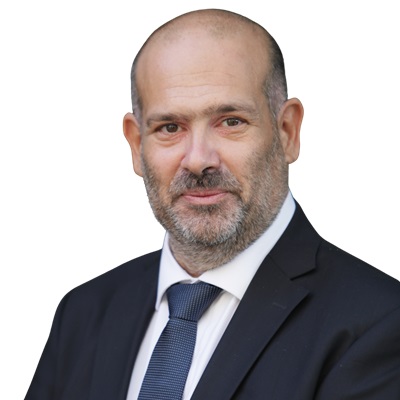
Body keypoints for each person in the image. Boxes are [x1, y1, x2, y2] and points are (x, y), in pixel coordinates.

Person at [25, 9, 400, 400]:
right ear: (137, 146)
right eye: (170, 127)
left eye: (231, 121)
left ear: (287, 131)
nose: (198, 160)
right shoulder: (83, 314)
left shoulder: (380, 325)